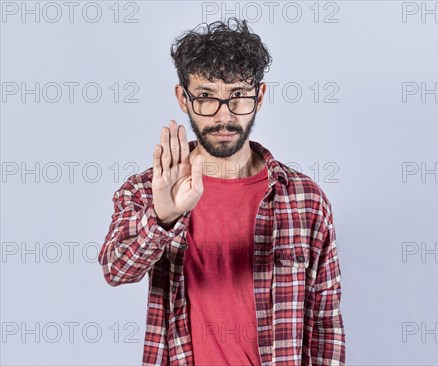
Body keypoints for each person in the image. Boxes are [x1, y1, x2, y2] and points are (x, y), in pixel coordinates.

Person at [98, 17, 346, 365]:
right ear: (183, 99)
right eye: (206, 96)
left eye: (238, 96)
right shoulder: (150, 189)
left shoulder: (305, 200)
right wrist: (162, 217)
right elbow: (115, 269)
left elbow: (324, 325)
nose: (223, 116)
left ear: (259, 97)